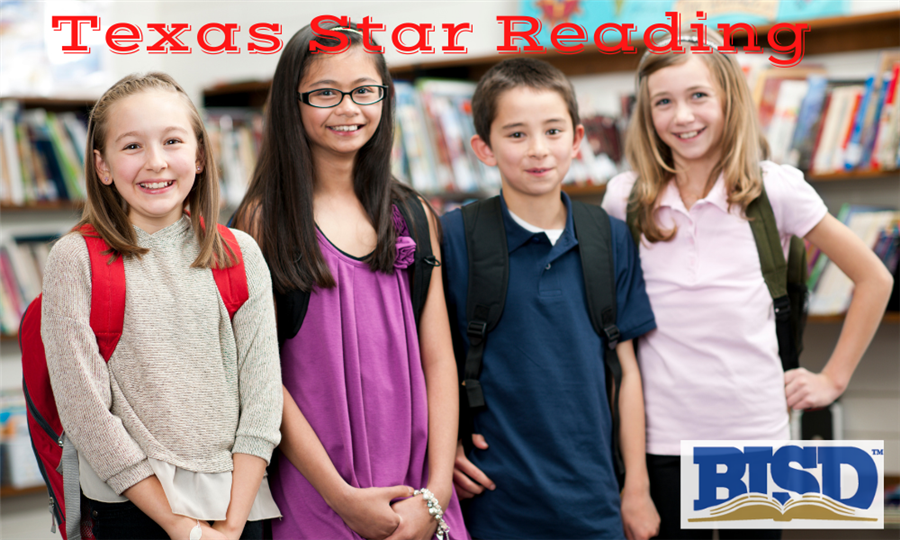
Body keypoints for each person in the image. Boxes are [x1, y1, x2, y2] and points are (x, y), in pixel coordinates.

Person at [601, 31, 895, 540]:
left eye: (698, 96)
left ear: (728, 100)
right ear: (646, 115)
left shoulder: (774, 188)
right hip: (661, 442)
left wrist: (834, 379)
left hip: (755, 441)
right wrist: (633, 481)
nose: (682, 116)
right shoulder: (625, 199)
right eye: (663, 102)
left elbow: (874, 277)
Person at [231, 22, 467, 540]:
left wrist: (436, 495)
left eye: (364, 90)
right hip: (318, 497)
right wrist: (341, 498)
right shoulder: (260, 223)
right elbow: (261, 379)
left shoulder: (412, 214)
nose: (348, 108)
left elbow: (439, 359)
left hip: (418, 497)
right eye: (324, 93)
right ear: (291, 103)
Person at [41, 72, 283, 540]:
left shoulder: (241, 253)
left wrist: (231, 526)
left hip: (239, 506)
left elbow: (262, 399)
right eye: (131, 147)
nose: (155, 162)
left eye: (172, 141)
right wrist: (181, 528)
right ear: (102, 166)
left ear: (198, 154)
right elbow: (85, 412)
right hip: (134, 508)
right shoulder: (75, 259)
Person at [443, 58, 660, 540]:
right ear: (484, 148)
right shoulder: (454, 237)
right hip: (490, 504)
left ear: (578, 139)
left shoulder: (610, 237)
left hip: (595, 503)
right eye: (516, 135)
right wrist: (443, 453)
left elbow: (626, 372)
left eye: (553, 131)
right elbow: (427, 362)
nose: (538, 150)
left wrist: (637, 490)